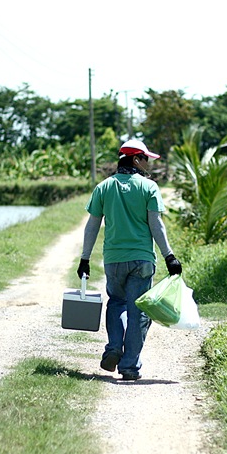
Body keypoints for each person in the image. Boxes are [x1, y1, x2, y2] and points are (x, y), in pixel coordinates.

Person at [77, 139, 182, 381]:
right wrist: (169, 256)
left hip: (113, 260)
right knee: (139, 312)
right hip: (142, 260)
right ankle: (129, 366)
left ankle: (114, 347)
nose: (149, 164)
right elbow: (156, 224)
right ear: (136, 159)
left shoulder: (103, 187)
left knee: (116, 303)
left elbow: (92, 225)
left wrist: (85, 258)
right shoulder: (149, 187)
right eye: (146, 159)